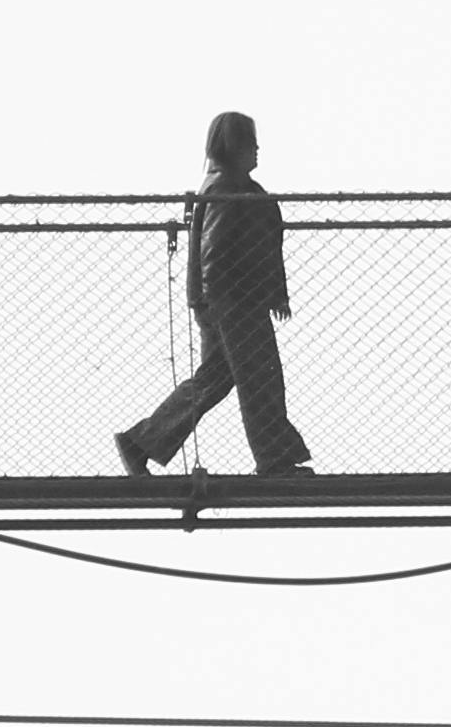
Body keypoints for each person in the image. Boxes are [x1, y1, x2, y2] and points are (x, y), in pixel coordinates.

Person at [114, 111, 315, 477]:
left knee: (214, 380)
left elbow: (253, 248)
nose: (257, 149)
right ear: (235, 147)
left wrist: (269, 294)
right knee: (260, 376)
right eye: (250, 142)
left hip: (227, 301)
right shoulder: (228, 188)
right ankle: (275, 460)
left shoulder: (230, 187)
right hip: (235, 302)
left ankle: (141, 442)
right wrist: (239, 303)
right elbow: (219, 253)